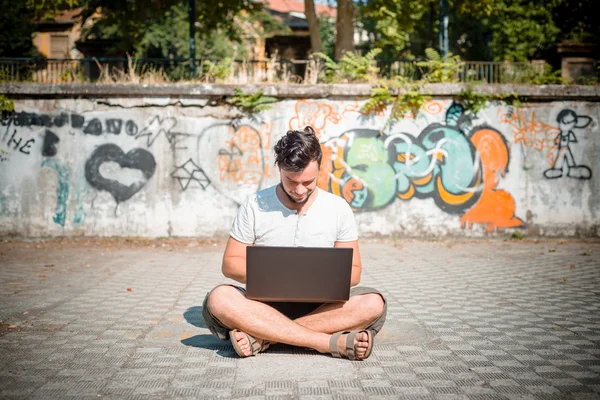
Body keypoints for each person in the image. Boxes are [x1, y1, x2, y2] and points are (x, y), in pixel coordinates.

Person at [202, 126, 387, 360]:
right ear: (279, 168)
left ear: (319, 167)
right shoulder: (255, 204)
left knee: (372, 303)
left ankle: (262, 336)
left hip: (322, 308)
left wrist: (311, 277)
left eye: (308, 181)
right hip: (262, 306)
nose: (299, 190)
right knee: (219, 298)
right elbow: (230, 264)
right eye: (291, 181)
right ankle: (327, 342)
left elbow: (355, 271)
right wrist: (279, 275)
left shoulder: (338, 208)